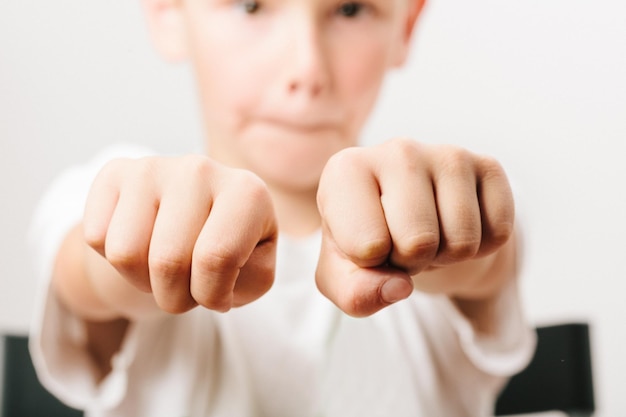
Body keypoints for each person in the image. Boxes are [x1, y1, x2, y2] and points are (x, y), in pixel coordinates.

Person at [28, 0, 535, 415]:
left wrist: (452, 223)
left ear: (406, 24)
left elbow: (482, 261)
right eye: (251, 6)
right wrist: (135, 241)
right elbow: (94, 268)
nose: (306, 69)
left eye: (352, 10)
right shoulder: (110, 190)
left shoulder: (449, 200)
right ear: (168, 12)